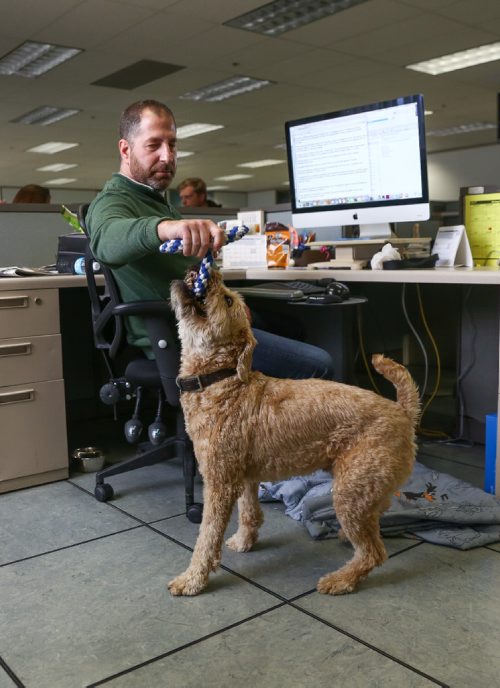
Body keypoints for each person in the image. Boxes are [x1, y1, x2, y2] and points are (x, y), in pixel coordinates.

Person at [87, 99, 333, 380]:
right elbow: (107, 241)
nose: (167, 157)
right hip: (187, 340)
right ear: (125, 149)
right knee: (320, 364)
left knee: (292, 326)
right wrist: (167, 228)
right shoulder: (112, 201)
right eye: (154, 145)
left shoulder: (154, 200)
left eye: (172, 144)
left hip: (207, 322)